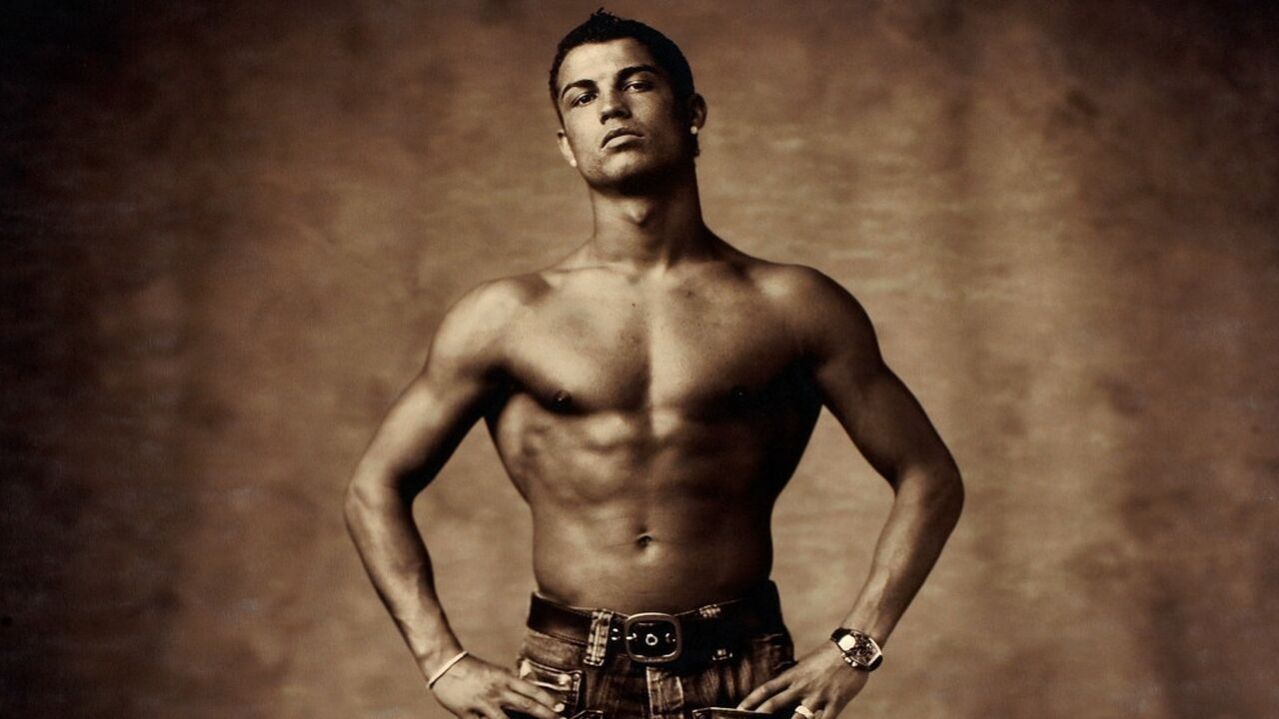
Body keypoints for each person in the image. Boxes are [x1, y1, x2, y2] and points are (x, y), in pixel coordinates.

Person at [344, 10, 963, 719]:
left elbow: (929, 475)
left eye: (635, 83)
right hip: (566, 678)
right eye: (582, 96)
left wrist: (857, 647)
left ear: (691, 112)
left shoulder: (794, 304)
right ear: (566, 144)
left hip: (743, 676)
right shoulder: (506, 315)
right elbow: (372, 488)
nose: (610, 106)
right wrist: (441, 660)